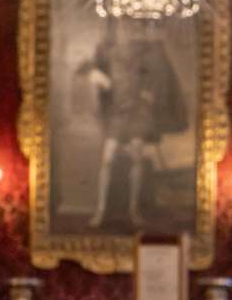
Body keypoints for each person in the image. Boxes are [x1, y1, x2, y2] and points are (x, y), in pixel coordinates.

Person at [77, 24, 187, 229]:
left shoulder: (145, 50)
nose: (125, 32)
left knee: (136, 159)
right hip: (117, 113)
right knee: (107, 159)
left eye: (129, 29)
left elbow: (156, 75)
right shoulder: (107, 51)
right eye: (122, 29)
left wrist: (148, 93)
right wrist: (97, 77)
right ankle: (100, 210)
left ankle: (133, 210)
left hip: (137, 113)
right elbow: (88, 70)